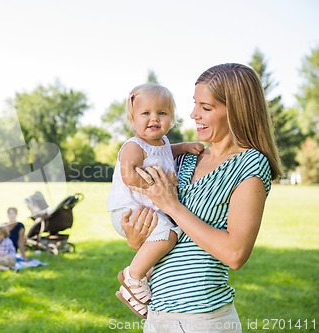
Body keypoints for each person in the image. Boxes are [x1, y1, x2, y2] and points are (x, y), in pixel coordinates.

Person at [121, 63, 282, 332]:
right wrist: (136, 237)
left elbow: (235, 254)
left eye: (206, 108)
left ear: (236, 111)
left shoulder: (250, 165)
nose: (194, 114)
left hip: (203, 319)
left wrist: (172, 204)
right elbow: (170, 235)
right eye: (195, 104)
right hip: (158, 316)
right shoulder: (185, 159)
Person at [107, 83, 204, 317]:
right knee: (169, 235)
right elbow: (129, 176)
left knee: (176, 234)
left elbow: (168, 152)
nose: (154, 118)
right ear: (133, 118)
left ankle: (136, 285)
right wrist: (159, 187)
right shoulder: (134, 146)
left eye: (162, 113)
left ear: (171, 118)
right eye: (146, 113)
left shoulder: (163, 144)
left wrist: (185, 147)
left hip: (149, 211)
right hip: (128, 211)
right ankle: (133, 276)